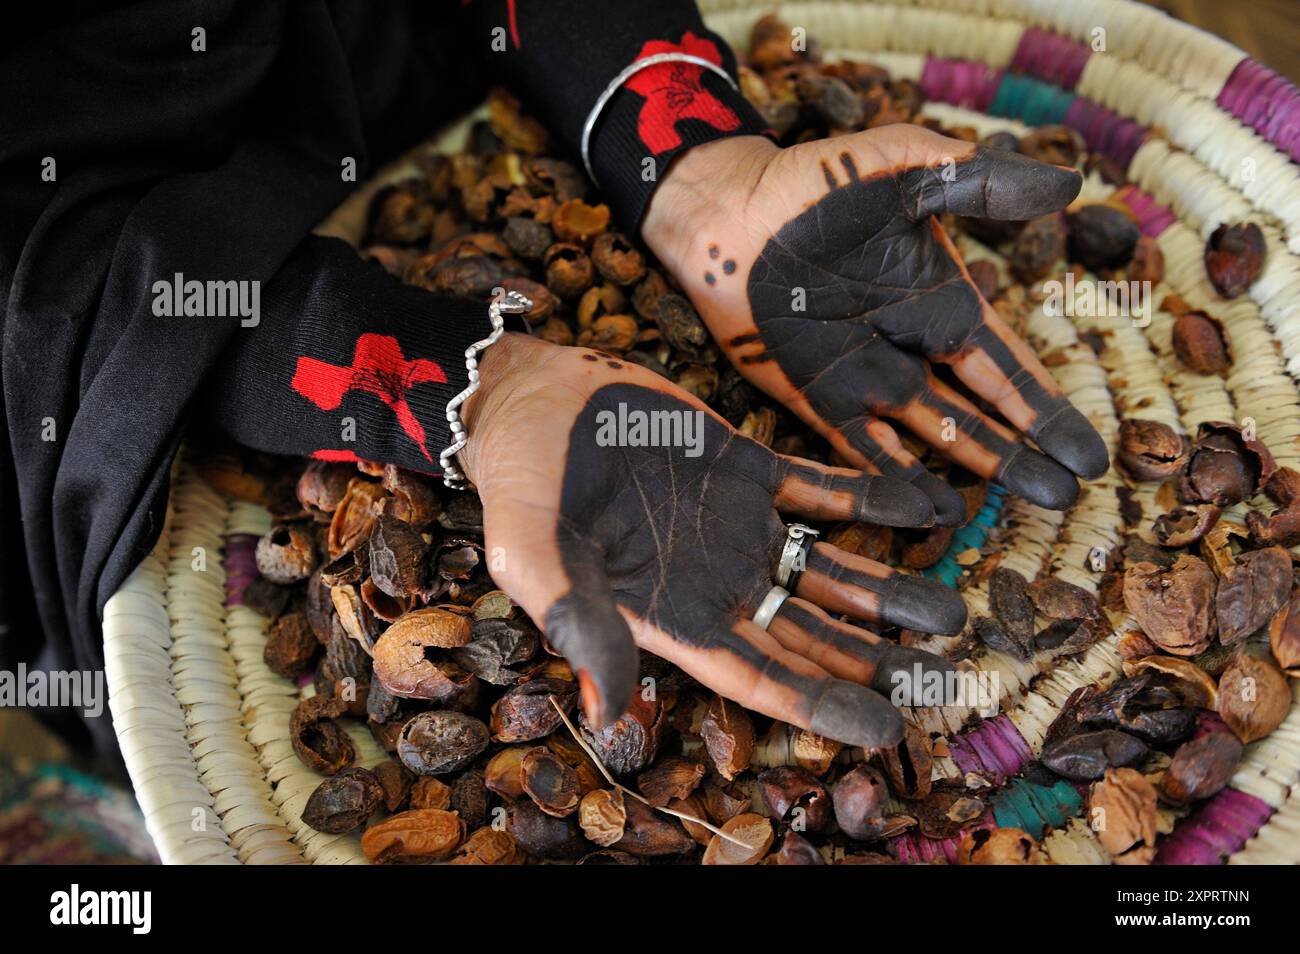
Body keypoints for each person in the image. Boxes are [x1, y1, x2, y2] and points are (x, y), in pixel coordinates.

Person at [1, 0, 1106, 762]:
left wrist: (692, 167)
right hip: (95, 292)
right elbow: (36, 273)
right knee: (152, 704)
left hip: (433, 65)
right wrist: (464, 386)